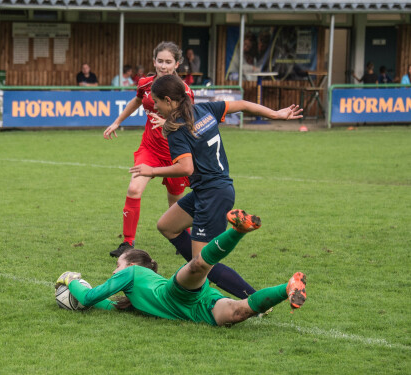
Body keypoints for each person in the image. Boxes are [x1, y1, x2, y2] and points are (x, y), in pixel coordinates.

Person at [129, 74, 302, 300]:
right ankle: (196, 265)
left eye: (157, 102)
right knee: (167, 225)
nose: (155, 107)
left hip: (212, 195)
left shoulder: (176, 129)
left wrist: (151, 170)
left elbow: (186, 167)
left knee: (203, 264)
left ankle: (258, 300)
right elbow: (242, 105)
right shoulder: (204, 109)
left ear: (169, 100)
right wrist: (275, 113)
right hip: (211, 190)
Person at [55, 209, 307, 326]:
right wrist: (79, 298)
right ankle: (287, 288)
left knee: (199, 264)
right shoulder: (133, 296)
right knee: (239, 312)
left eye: (117, 266)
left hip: (174, 293)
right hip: (193, 311)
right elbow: (101, 303)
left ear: (130, 265)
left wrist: (70, 278)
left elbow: (89, 297)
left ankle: (238, 231)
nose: (114, 271)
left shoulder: (131, 274)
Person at [103, 42, 193, 258]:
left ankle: (185, 241)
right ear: (154, 62)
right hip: (150, 149)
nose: (163, 66)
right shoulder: (145, 84)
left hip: (175, 152)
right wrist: (117, 122)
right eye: (160, 61)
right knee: (134, 189)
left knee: (176, 201)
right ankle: (127, 243)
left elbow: (190, 123)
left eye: (168, 62)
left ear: (177, 64)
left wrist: (167, 124)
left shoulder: (184, 91)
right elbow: (137, 100)